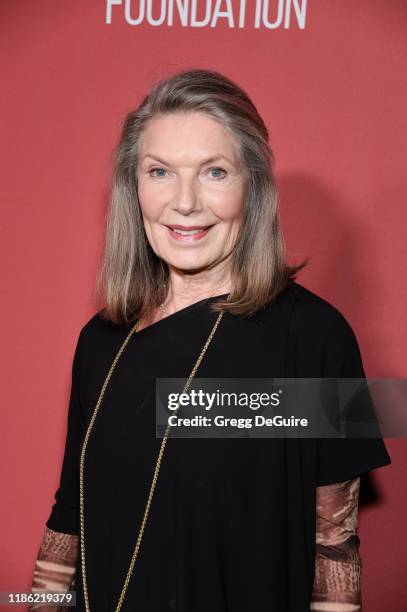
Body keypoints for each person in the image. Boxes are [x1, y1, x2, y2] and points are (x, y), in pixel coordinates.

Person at [30, 68, 391, 611]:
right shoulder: (99, 340)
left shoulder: (316, 336)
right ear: (134, 189)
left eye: (214, 172)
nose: (185, 202)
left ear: (254, 187)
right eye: (160, 172)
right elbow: (68, 517)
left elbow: (335, 549)